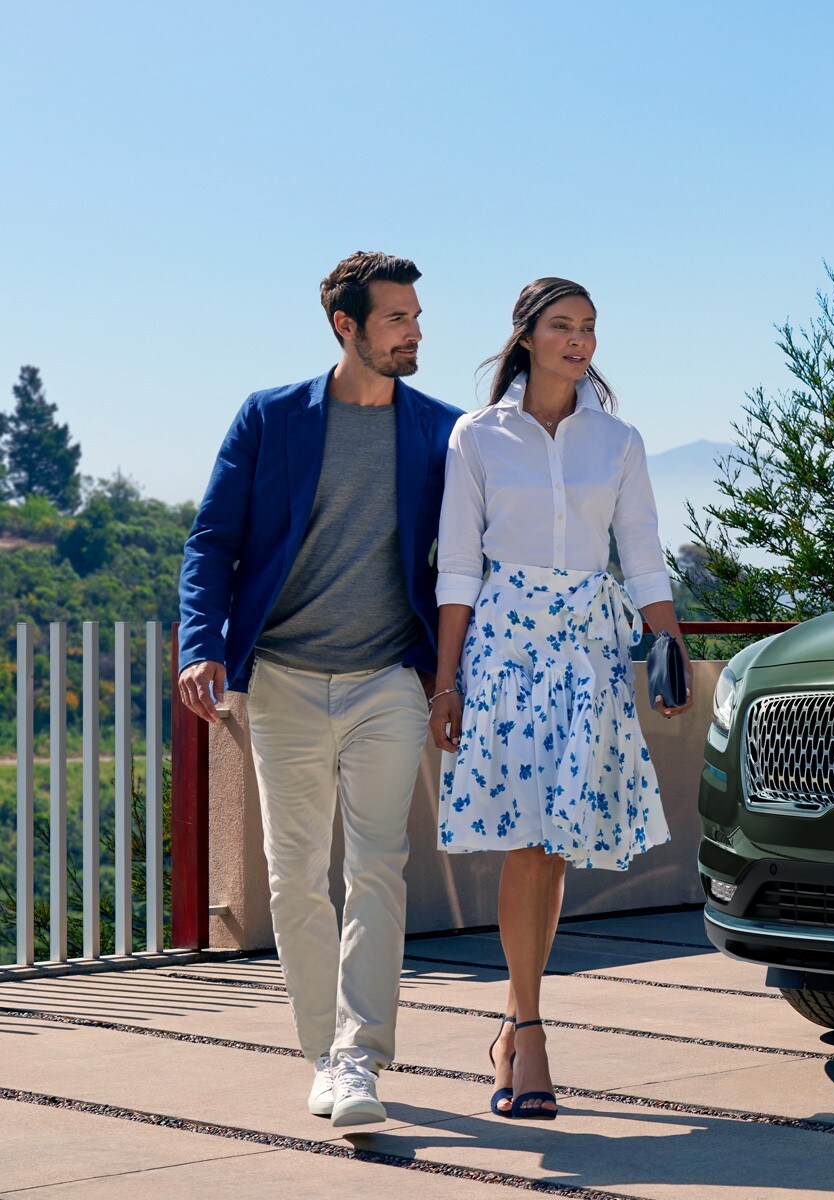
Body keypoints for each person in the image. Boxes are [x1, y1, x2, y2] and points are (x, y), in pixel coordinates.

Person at [177, 252, 463, 1127]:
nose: (415, 332)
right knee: (295, 876)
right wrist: (202, 646)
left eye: (416, 316)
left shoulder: (440, 430)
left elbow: (467, 560)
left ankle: (360, 1058)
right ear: (348, 327)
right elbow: (212, 542)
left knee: (378, 867)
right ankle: (324, 1055)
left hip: (388, 681)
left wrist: (452, 679)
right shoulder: (271, 419)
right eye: (397, 318)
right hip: (284, 682)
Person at [431, 276, 691, 1120]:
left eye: (589, 328)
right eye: (562, 326)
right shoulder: (477, 435)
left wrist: (670, 646)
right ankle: (532, 1031)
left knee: (555, 844)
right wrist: (447, 681)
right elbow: (458, 567)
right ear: (527, 336)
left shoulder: (618, 440)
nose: (579, 341)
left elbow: (642, 552)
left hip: (588, 648)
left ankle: (515, 1024)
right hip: (504, 648)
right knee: (525, 841)